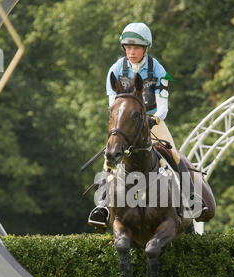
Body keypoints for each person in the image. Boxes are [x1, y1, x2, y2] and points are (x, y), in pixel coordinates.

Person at [88, 22, 206, 231]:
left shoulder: (159, 70)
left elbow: (163, 107)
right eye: (127, 47)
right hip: (126, 124)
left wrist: (152, 120)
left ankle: (190, 200)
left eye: (136, 48)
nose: (131, 52)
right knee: (110, 159)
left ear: (145, 48)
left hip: (152, 120)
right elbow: (112, 104)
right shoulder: (115, 69)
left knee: (175, 156)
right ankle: (102, 208)